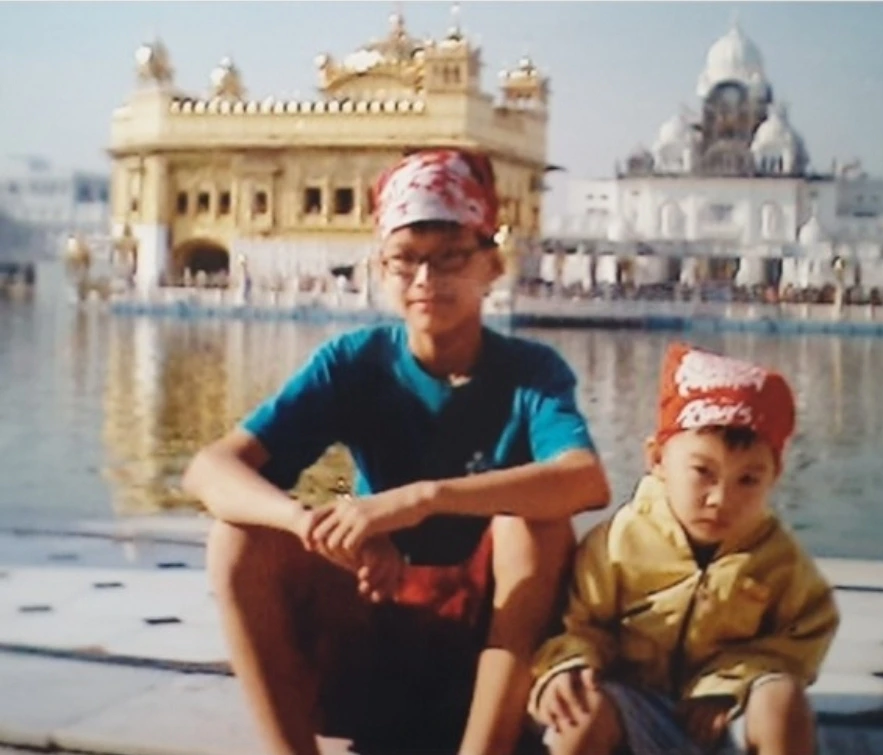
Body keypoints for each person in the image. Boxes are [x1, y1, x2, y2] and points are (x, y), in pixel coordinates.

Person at [183, 149, 611, 755]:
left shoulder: (530, 373)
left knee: (534, 527)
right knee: (237, 541)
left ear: (491, 265)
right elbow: (209, 469)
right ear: (381, 269)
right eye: (405, 260)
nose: (425, 280)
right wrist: (317, 527)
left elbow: (584, 479)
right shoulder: (356, 362)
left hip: (497, 658)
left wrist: (420, 500)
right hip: (377, 622)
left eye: (450, 257)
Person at [528, 343, 840, 755]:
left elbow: (803, 636)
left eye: (748, 480)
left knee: (782, 703)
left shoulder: (778, 558)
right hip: (637, 704)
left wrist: (728, 683)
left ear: (775, 475)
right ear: (657, 458)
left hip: (731, 710)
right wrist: (572, 664)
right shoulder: (618, 543)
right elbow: (580, 625)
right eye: (702, 472)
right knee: (578, 718)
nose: (721, 499)